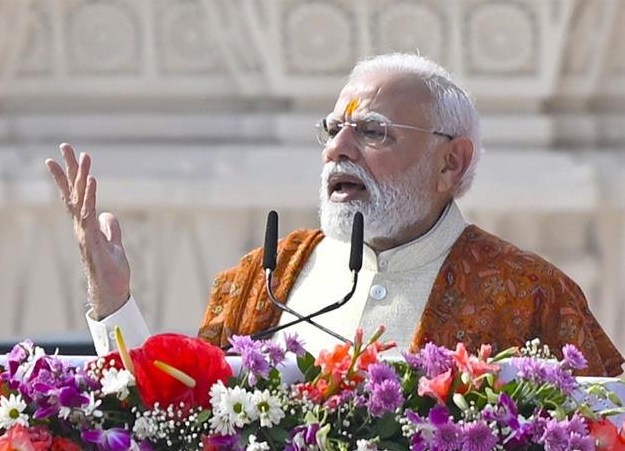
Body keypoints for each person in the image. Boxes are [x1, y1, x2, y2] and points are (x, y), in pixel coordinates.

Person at [46, 53, 623, 376]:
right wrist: (113, 303)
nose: (337, 149)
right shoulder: (265, 279)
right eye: (332, 128)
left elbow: (606, 440)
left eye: (371, 131)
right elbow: (175, 412)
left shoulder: (528, 296)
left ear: (451, 163)